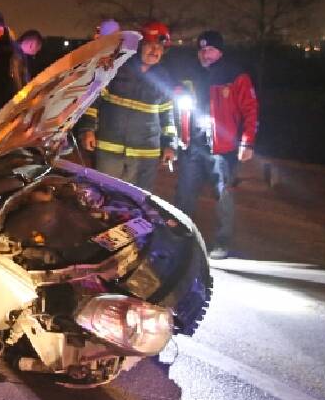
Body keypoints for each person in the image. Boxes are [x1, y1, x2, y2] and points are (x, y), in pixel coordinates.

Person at [173, 30, 259, 259]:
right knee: (184, 194)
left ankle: (222, 242)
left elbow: (250, 110)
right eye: (201, 49)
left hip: (223, 149)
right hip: (192, 145)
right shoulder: (190, 74)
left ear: (220, 50)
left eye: (210, 49)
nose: (205, 54)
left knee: (223, 196)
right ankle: (181, 238)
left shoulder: (235, 75)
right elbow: (175, 105)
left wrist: (247, 142)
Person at [76, 20, 175, 191]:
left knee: (137, 203)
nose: (155, 51)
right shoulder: (116, 68)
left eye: (159, 47)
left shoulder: (165, 79)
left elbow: (168, 115)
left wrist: (170, 144)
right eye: (150, 45)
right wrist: (87, 129)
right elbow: (94, 100)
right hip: (109, 151)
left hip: (146, 156)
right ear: (139, 46)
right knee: (105, 198)